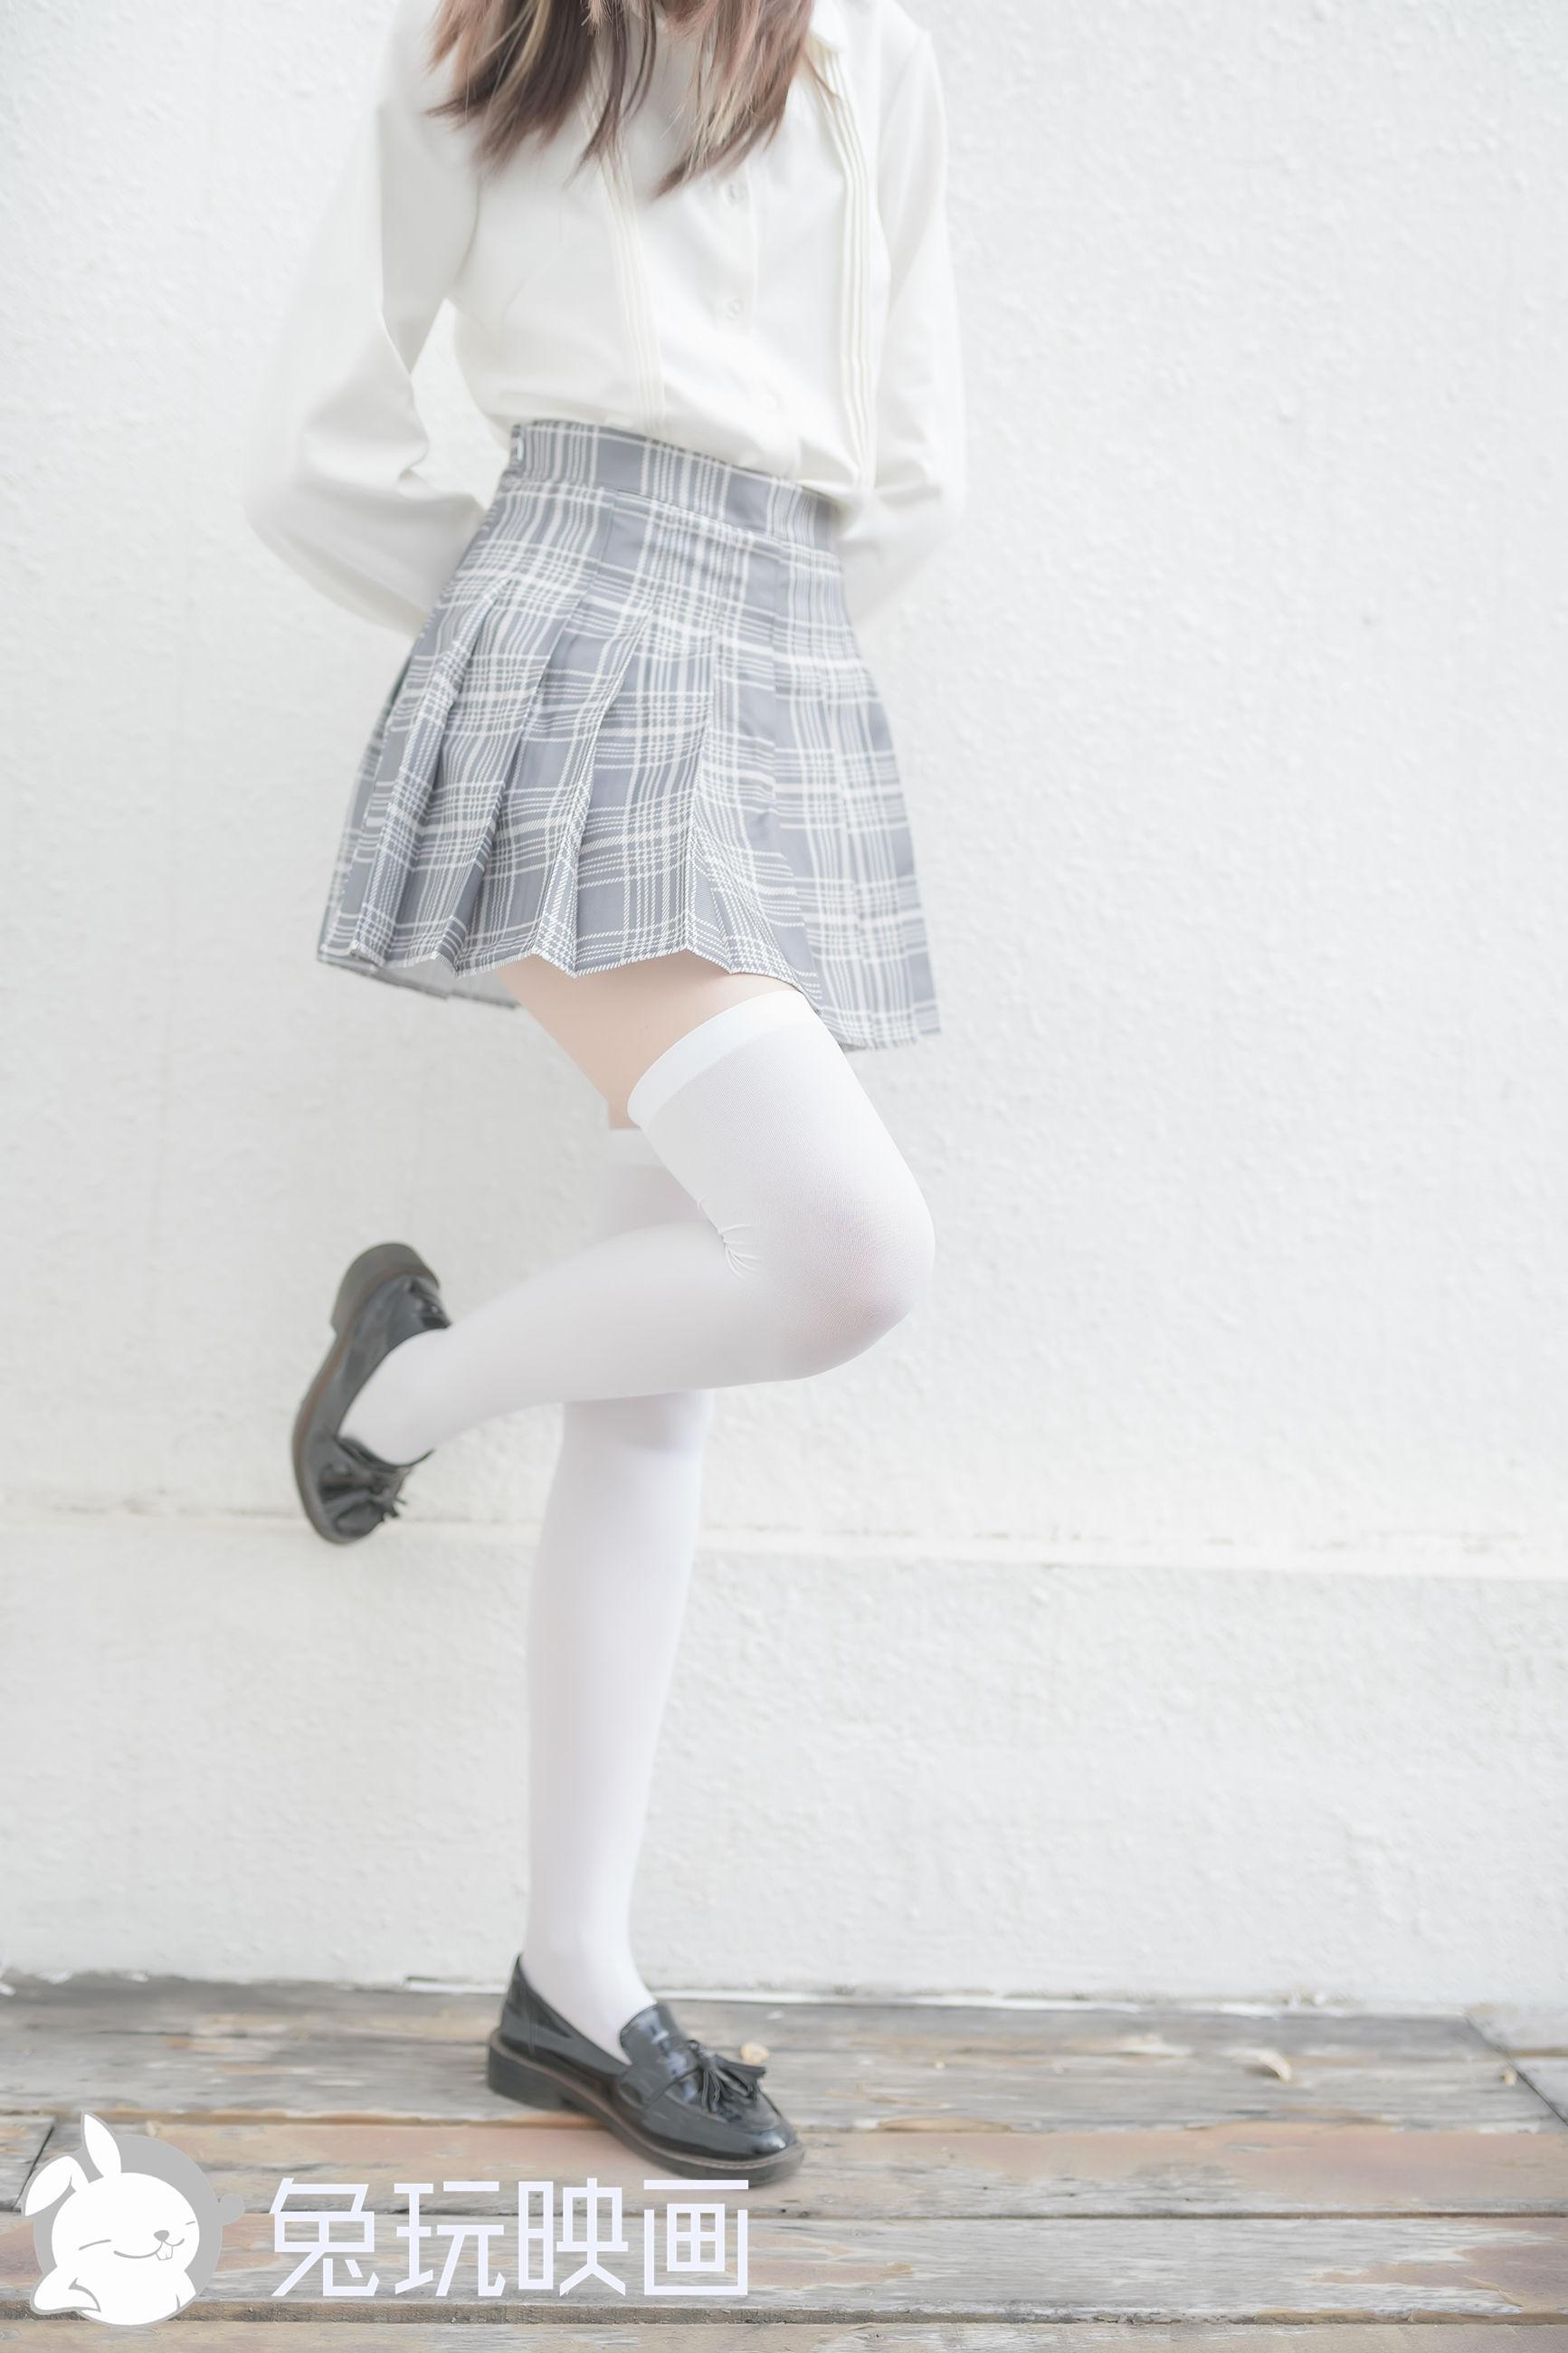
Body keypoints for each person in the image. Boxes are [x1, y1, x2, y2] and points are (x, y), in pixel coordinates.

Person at [242, 0, 965, 2185]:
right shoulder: (494, 33)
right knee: (843, 1255)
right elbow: (312, 448)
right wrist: (527, 625)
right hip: (582, 632)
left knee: (666, 1384)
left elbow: (914, 466)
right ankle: (400, 1395)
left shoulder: (871, 49)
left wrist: (739, 650)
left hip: (779, 670)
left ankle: (573, 1974)